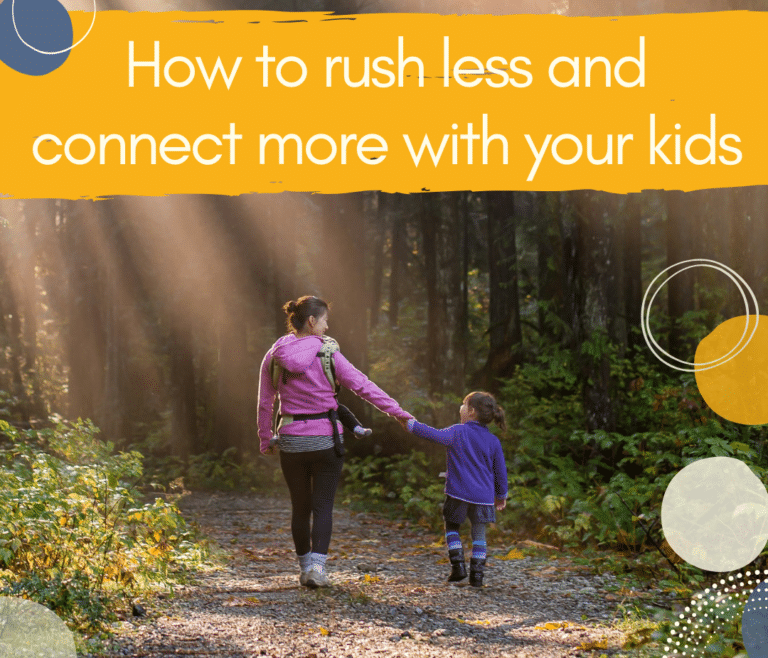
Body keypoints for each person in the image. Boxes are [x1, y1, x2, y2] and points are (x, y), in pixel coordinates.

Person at [258, 295, 413, 589]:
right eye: (325, 320)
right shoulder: (328, 353)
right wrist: (398, 412)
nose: (327, 327)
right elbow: (363, 385)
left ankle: (304, 570)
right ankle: (318, 569)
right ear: (312, 321)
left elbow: (266, 402)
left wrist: (266, 438)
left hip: (291, 440)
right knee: (323, 506)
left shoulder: (274, 354)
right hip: (326, 441)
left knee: (299, 507)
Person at [402, 391, 508, 587]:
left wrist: (410, 424)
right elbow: (500, 471)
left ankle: (458, 566)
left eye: (463, 404)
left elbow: (433, 434)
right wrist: (501, 495)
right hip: (483, 497)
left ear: (472, 412)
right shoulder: (493, 441)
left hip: (458, 492)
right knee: (479, 534)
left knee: (452, 527)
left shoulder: (457, 432)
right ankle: (477, 575)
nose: (460, 408)